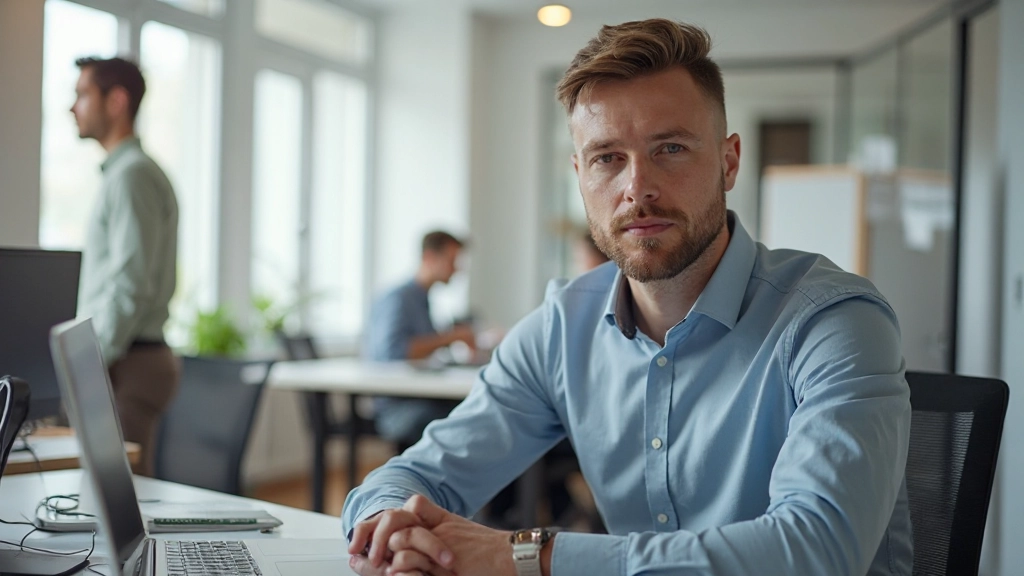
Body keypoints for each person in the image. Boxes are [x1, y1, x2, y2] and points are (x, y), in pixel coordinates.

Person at [343, 19, 912, 576]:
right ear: (581, 175)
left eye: (669, 148)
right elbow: (406, 480)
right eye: (607, 158)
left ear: (728, 160)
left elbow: (818, 552)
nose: (636, 187)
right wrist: (392, 527)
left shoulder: (832, 322)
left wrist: (525, 557)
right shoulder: (562, 326)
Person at [71, 57, 180, 477]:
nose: (73, 106)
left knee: (121, 499)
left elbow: (130, 284)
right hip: (128, 357)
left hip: (128, 362)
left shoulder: (132, 176)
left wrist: (89, 359)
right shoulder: (125, 174)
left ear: (116, 101)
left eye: (83, 94)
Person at [364, 231, 476, 449]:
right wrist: (450, 338)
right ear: (429, 258)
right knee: (467, 416)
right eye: (452, 261)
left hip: (419, 396)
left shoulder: (422, 299)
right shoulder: (398, 298)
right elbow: (394, 353)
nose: (457, 269)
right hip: (398, 406)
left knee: (476, 408)